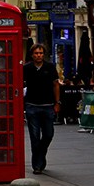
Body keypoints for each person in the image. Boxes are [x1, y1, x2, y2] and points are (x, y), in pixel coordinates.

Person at [23, 44, 59, 175]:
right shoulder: (26, 68)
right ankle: (37, 165)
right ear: (32, 55)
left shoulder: (50, 67)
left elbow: (55, 85)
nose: (39, 55)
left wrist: (57, 102)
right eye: (36, 53)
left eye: (41, 53)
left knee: (49, 134)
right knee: (34, 137)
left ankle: (41, 155)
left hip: (48, 105)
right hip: (32, 106)